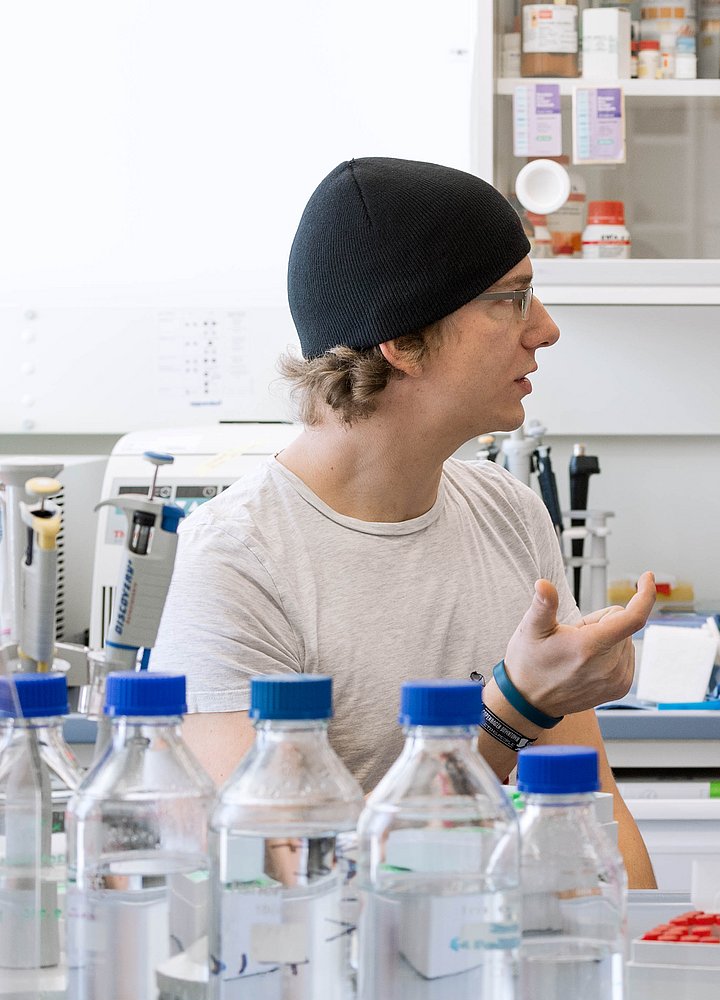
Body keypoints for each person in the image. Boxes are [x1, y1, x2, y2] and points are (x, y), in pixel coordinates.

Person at [149, 157, 657, 887]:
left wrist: (653, 962)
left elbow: (591, 818)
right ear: (404, 340)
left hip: (499, 976)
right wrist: (512, 711)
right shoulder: (239, 559)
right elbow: (303, 881)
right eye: (511, 300)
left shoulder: (508, 512)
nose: (544, 330)